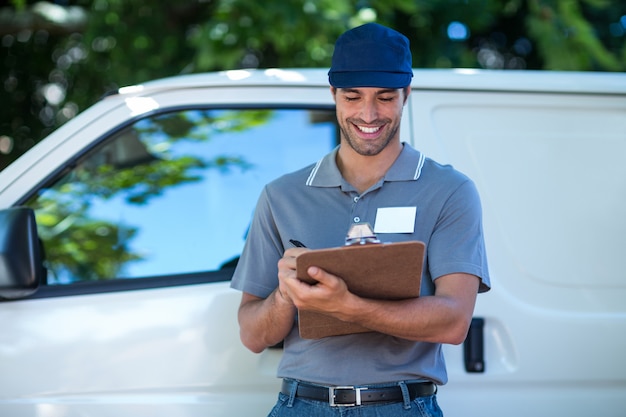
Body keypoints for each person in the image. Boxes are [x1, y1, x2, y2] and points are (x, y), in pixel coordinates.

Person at [231, 22, 490, 416]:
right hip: (301, 405)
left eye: (385, 98)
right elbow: (252, 334)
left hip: (401, 407)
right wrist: (285, 294)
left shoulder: (449, 190)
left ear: (407, 95)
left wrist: (348, 305)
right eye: (353, 97)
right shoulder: (282, 195)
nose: (368, 114)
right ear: (333, 94)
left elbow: (453, 321)